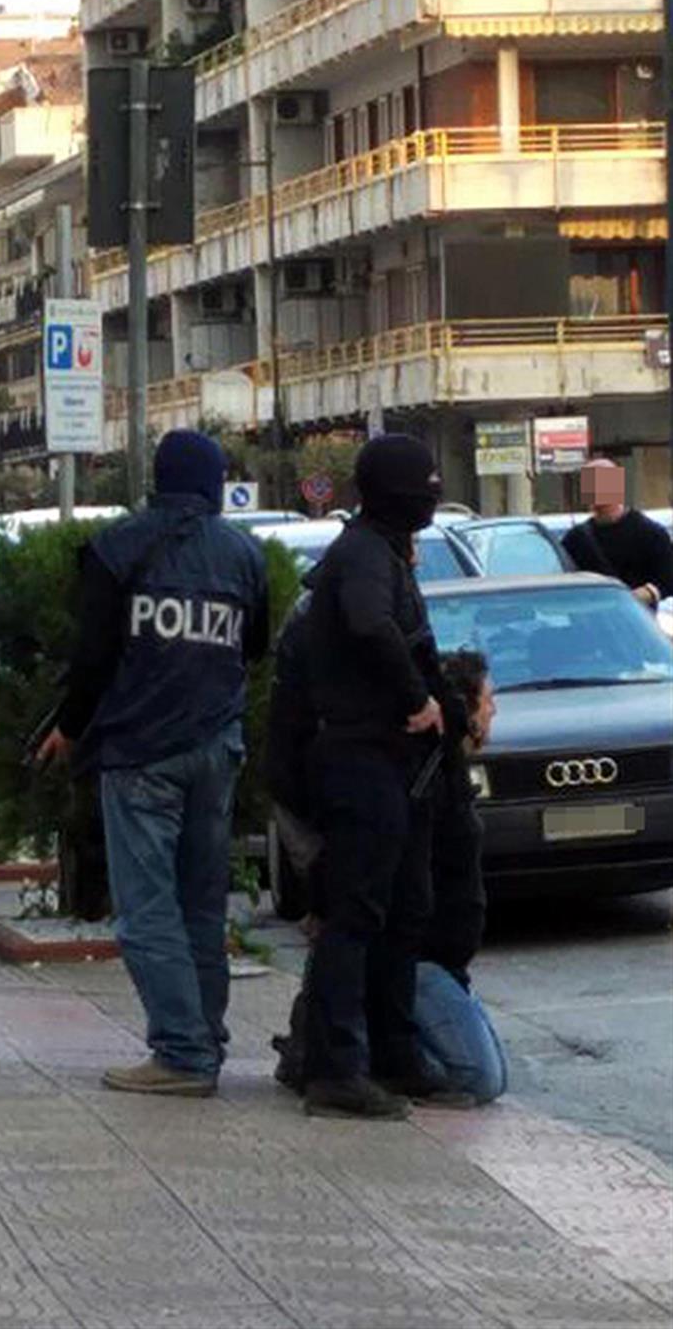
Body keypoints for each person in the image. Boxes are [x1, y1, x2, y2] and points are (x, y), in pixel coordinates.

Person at [38, 430, 269, 1096]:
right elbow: (254, 644)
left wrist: (68, 728)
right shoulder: (243, 555)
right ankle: (205, 1038)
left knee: (146, 911)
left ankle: (182, 1052)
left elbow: (92, 657)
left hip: (140, 752)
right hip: (216, 748)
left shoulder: (119, 547)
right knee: (202, 905)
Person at [285, 434, 468, 1120]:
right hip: (361, 758)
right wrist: (416, 699)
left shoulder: (383, 550)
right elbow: (369, 623)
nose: (431, 495)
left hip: (397, 764)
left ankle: (395, 1056)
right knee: (358, 912)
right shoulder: (363, 553)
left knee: (404, 910)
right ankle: (335, 1068)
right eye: (424, 484)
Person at [415, 649, 507, 1106]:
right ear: (466, 710)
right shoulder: (434, 777)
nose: (494, 711)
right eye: (487, 700)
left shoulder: (453, 772)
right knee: (479, 1079)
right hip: (422, 962)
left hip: (448, 965)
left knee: (497, 1075)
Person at [563, 458, 673, 611]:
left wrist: (637, 597)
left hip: (634, 622)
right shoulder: (575, 539)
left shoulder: (651, 533)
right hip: (589, 621)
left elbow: (667, 581)